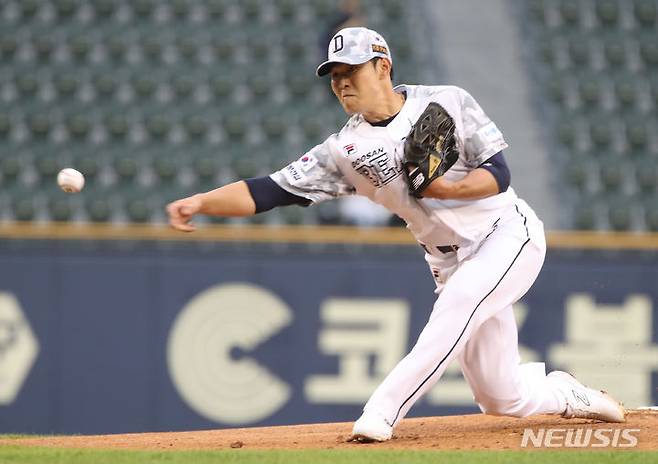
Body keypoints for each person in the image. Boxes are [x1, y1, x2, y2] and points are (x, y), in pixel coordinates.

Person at [167, 27, 626, 442]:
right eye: (335, 75)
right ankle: (566, 395)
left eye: (352, 70)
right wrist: (203, 202)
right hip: (447, 260)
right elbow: (269, 190)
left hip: (506, 234)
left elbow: (499, 174)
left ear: (383, 66)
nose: (342, 82)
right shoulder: (344, 151)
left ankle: (382, 410)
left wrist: (448, 186)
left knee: (458, 304)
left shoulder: (446, 101)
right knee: (499, 397)